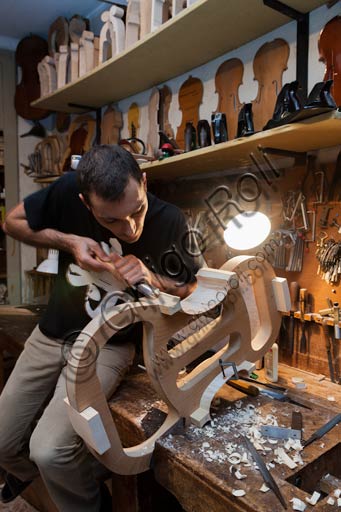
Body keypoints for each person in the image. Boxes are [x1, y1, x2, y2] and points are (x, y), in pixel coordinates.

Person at [0, 145, 199, 512]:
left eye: (137, 210)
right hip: (52, 332)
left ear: (143, 180)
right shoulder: (65, 192)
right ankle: (39, 478)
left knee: (50, 450)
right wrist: (69, 240)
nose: (130, 228)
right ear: (85, 202)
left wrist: (153, 277)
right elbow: (11, 222)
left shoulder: (170, 219)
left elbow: (190, 287)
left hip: (109, 345)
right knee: (3, 441)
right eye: (111, 221)